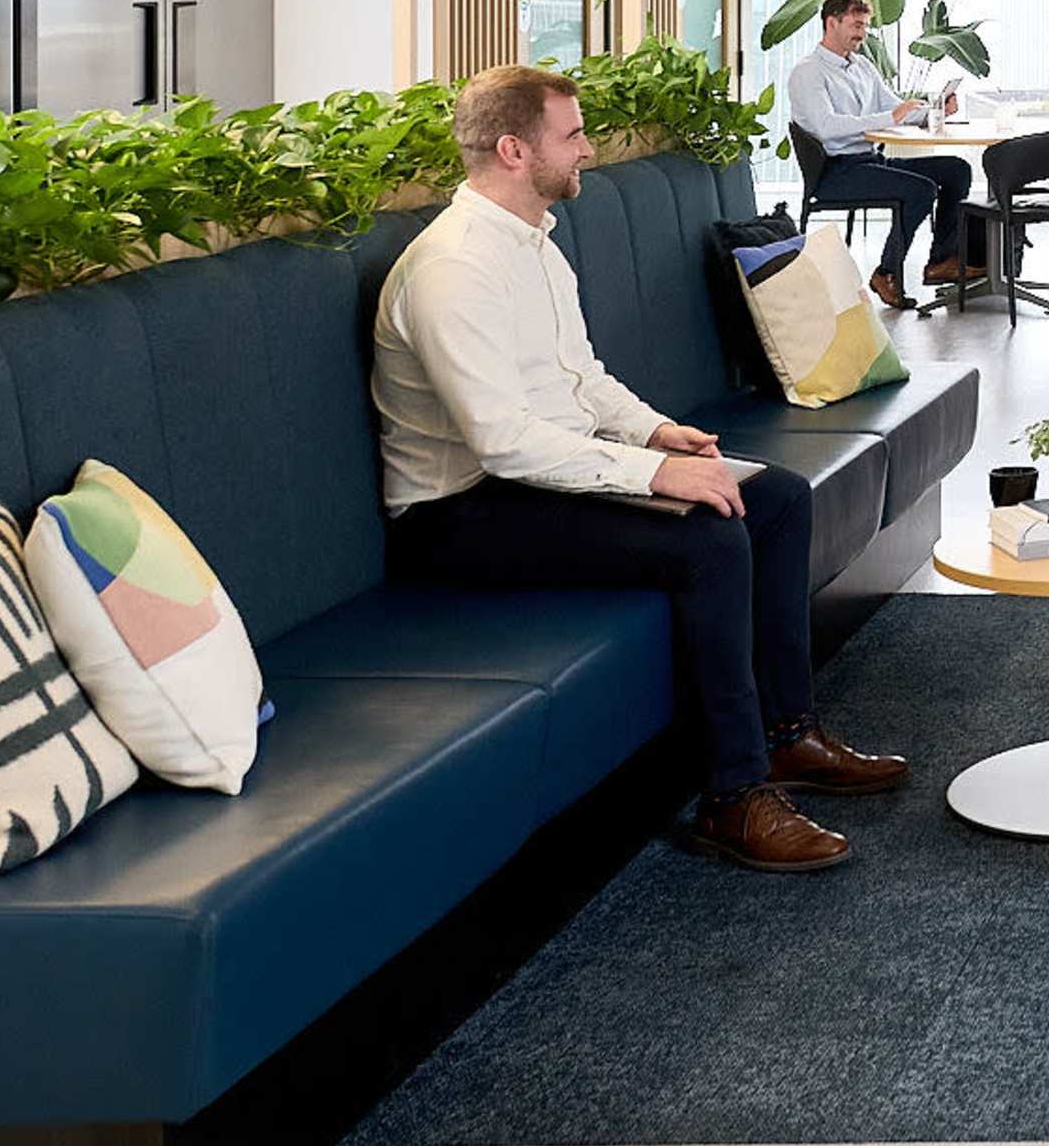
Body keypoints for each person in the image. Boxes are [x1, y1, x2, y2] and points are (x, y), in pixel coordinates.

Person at [373, 64, 909, 872]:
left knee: (777, 498)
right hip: (461, 511)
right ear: (515, 149)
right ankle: (731, 797)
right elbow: (501, 440)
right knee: (709, 540)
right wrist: (651, 477)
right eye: (573, 135)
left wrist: (659, 434)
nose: (589, 149)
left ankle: (787, 734)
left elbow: (580, 377)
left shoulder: (535, 242)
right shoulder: (453, 267)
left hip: (535, 476)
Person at [785, 0, 974, 311]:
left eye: (864, 26)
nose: (862, 33)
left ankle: (941, 260)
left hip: (870, 162)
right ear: (832, 23)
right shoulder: (808, 72)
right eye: (855, 25)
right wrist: (892, 117)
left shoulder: (861, 66)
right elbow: (827, 126)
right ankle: (886, 273)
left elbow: (893, 107)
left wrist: (936, 111)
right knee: (921, 190)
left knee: (956, 169)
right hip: (836, 171)